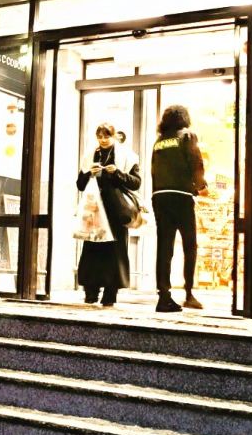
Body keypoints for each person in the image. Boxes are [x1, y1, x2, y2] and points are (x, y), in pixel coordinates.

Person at [76, 122, 141, 307]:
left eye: (107, 136)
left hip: (116, 211)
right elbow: (80, 184)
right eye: (100, 137)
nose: (103, 140)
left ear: (114, 137)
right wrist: (89, 173)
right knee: (92, 249)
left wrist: (117, 173)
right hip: (95, 209)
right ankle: (91, 291)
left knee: (115, 252)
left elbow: (136, 183)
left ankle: (110, 294)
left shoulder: (127, 156)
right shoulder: (91, 155)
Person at [150, 105, 206, 313]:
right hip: (181, 196)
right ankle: (189, 293)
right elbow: (196, 162)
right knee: (190, 245)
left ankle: (163, 296)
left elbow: (154, 169)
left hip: (160, 196)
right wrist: (201, 186)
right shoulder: (187, 136)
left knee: (164, 248)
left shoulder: (159, 141)